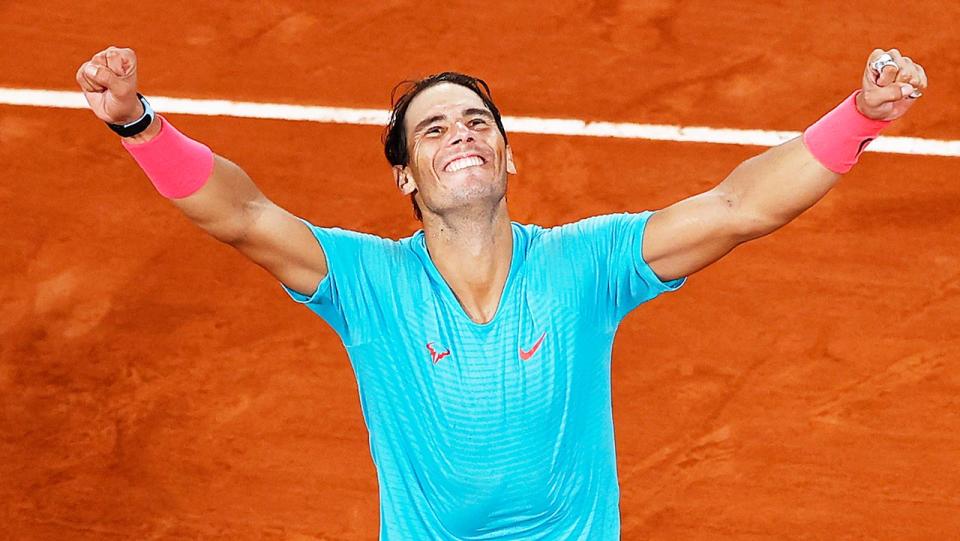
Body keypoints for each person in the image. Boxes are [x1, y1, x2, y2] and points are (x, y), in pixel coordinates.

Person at [75, 46, 927, 540]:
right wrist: (134, 121)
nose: (463, 135)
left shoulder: (584, 266)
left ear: (510, 156)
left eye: (479, 121)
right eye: (435, 129)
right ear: (408, 175)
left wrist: (857, 114)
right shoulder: (365, 283)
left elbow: (740, 206)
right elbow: (242, 213)